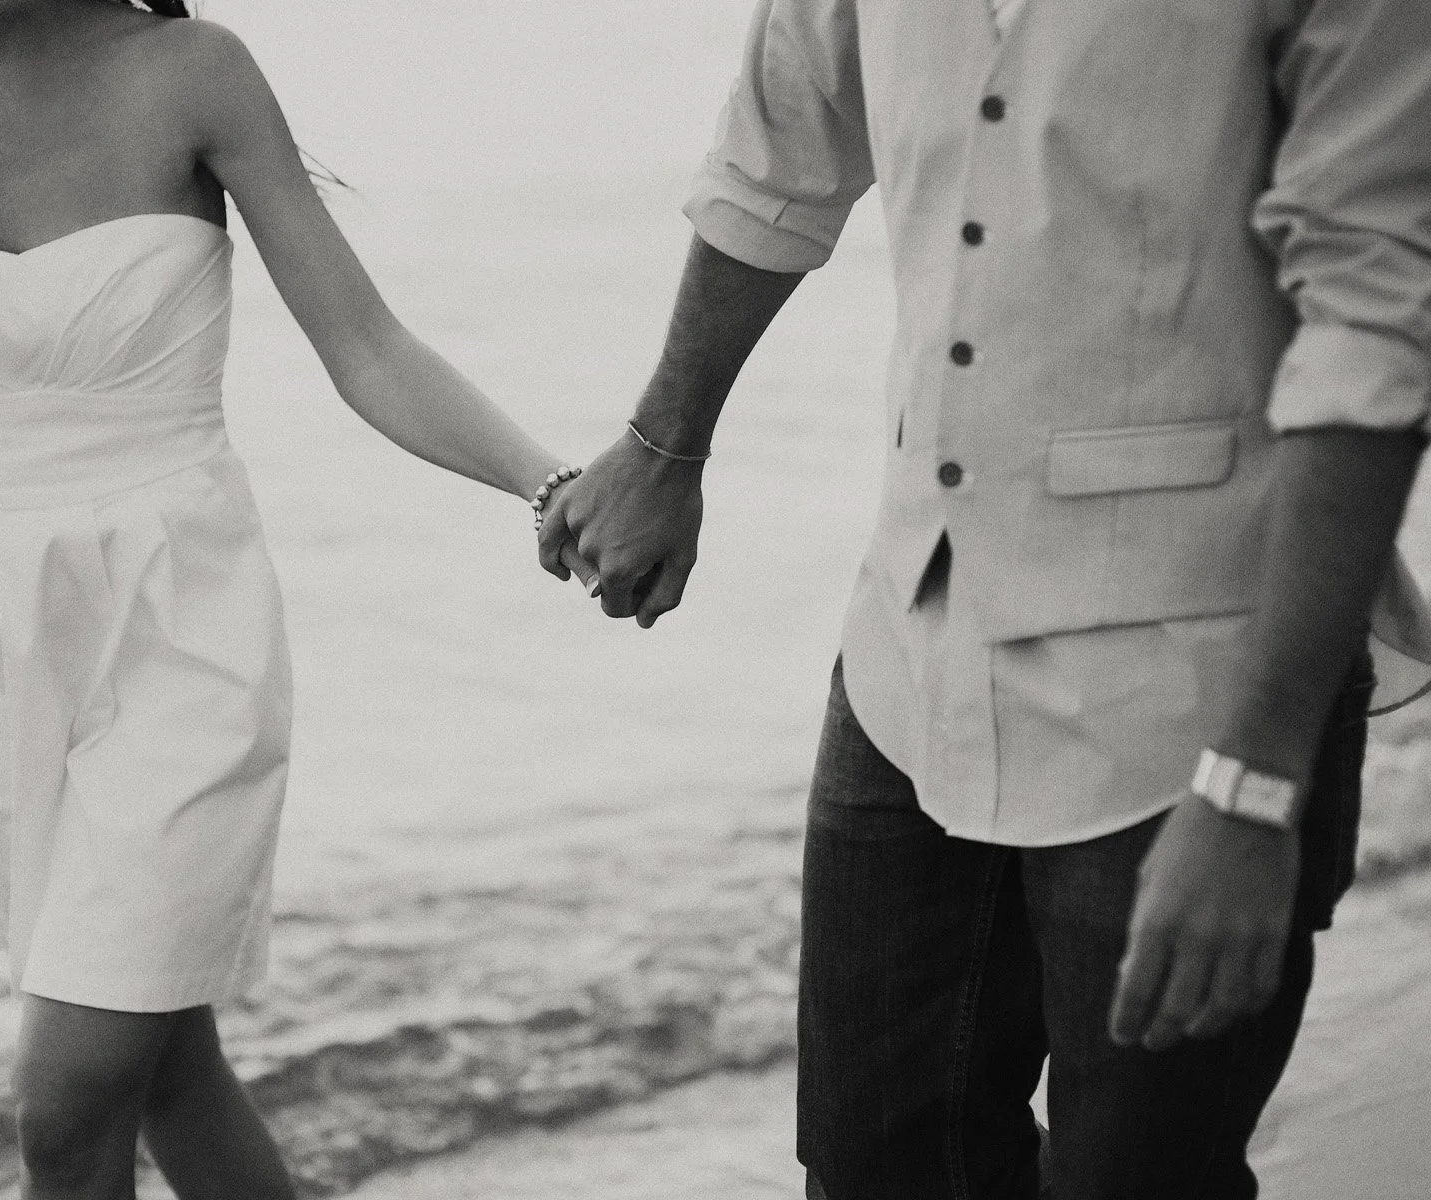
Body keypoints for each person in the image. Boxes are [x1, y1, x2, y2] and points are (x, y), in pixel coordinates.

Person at [539, 0, 1431, 1196]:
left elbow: (1376, 325)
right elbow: (778, 153)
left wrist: (1256, 783)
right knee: (868, 1170)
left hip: (1195, 685)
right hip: (910, 649)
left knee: (1140, 1180)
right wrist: (666, 442)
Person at [0, 2, 584, 1196]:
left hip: (186, 641)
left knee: (66, 1106)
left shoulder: (190, 74)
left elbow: (367, 345)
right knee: (170, 1074)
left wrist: (545, 484)